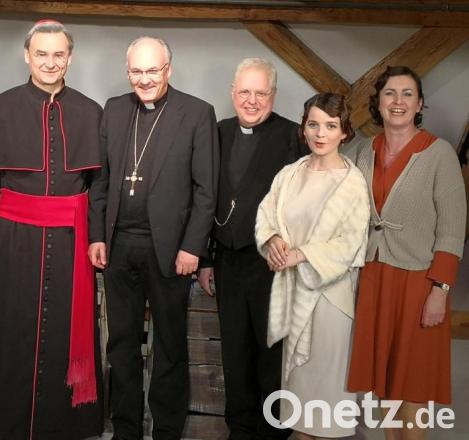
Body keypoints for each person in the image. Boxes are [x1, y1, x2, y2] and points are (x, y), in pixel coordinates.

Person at [0, 20, 104, 440]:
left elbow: (97, 183)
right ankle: (1, 421)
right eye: (41, 54)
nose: (50, 62)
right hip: (14, 236)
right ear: (27, 56)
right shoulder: (2, 107)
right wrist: (23, 208)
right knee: (8, 326)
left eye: (59, 55)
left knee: (63, 332)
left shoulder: (90, 111)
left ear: (69, 58)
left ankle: (63, 423)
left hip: (70, 236)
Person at [88, 36, 219, 439]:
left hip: (170, 250)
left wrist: (192, 247)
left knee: (169, 347)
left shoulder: (196, 113)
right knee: (122, 345)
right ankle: (125, 429)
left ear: (168, 69)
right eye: (137, 71)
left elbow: (205, 190)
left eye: (153, 71)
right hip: (119, 246)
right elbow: (101, 180)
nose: (144, 80)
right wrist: (97, 236)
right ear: (128, 71)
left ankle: (166, 430)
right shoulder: (113, 110)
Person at [347, 66, 465, 439]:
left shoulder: (439, 153)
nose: (397, 101)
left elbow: (452, 227)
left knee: (411, 383)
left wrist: (440, 290)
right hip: (374, 277)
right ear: (378, 102)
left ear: (420, 105)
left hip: (419, 281)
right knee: (384, 382)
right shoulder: (363, 151)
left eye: (407, 94)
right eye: (390, 94)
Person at [198, 57, 304, 440]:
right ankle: (239, 431)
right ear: (232, 93)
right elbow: (204, 199)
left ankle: (272, 432)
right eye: (245, 92)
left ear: (273, 96)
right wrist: (205, 259)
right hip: (226, 261)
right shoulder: (216, 132)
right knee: (235, 352)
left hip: (271, 267)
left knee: (271, 355)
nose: (252, 100)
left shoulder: (295, 136)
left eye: (261, 93)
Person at [255, 93, 370, 439]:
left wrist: (301, 254)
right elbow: (266, 215)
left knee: (327, 405)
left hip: (330, 301)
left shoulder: (352, 183)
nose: (321, 133)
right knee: (299, 406)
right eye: (314, 124)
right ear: (304, 129)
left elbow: (350, 243)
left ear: (345, 132)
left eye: (331, 126)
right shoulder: (289, 175)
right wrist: (273, 240)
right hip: (294, 294)